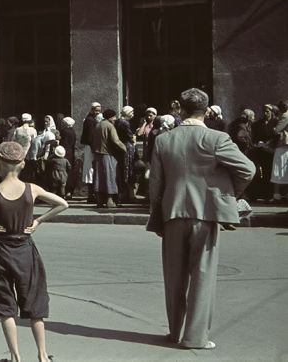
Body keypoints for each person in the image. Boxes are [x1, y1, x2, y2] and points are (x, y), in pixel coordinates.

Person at [146, 87, 255, 350]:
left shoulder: (163, 139)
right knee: (203, 276)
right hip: (206, 213)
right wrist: (228, 193)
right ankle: (195, 338)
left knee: (174, 277)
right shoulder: (217, 138)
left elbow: (155, 184)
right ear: (206, 111)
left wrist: (156, 217)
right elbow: (247, 169)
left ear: (180, 110)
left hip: (172, 212)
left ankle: (175, 332)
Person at [0, 141, 68, 362]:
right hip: (24, 249)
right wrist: (38, 221)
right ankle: (43, 356)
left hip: (0, 250)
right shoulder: (32, 189)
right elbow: (62, 204)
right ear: (22, 164)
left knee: (4, 304)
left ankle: (16, 357)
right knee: (35, 302)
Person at [92, 109, 127, 208]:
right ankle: (109, 201)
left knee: (99, 178)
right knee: (110, 177)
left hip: (97, 155)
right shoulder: (110, 126)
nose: (115, 119)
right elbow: (116, 141)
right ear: (110, 117)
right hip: (107, 154)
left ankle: (99, 201)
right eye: (114, 117)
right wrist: (125, 149)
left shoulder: (98, 125)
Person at [250, 104, 278, 200]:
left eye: (267, 111)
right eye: (264, 111)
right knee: (264, 172)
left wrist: (270, 143)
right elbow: (254, 137)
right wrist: (258, 143)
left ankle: (273, 194)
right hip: (262, 151)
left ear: (272, 112)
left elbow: (277, 136)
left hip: (272, 151)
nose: (265, 113)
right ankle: (266, 195)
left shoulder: (276, 123)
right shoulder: (258, 124)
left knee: (272, 172)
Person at [81, 102, 102, 203]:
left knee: (91, 169)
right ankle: (91, 194)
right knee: (90, 169)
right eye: (96, 110)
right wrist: (94, 148)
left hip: (90, 147)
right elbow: (90, 136)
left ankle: (92, 194)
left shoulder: (90, 119)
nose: (97, 112)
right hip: (91, 147)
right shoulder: (90, 120)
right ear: (92, 110)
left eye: (99, 110)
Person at [114, 106, 136, 203]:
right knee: (127, 169)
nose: (133, 114)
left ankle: (123, 193)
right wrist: (134, 138)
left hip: (120, 147)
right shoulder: (124, 123)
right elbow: (129, 136)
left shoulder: (118, 121)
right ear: (128, 113)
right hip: (127, 146)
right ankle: (127, 194)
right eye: (131, 112)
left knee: (122, 169)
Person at [270, 99, 288, 203]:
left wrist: (273, 128)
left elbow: (276, 130)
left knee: (278, 168)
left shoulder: (285, 116)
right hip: (285, 145)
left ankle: (276, 195)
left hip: (283, 144)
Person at [59, 117, 77, 199]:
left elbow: (63, 143)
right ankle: (69, 192)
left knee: (64, 172)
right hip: (71, 152)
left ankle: (65, 191)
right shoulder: (72, 131)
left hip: (65, 152)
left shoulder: (64, 131)